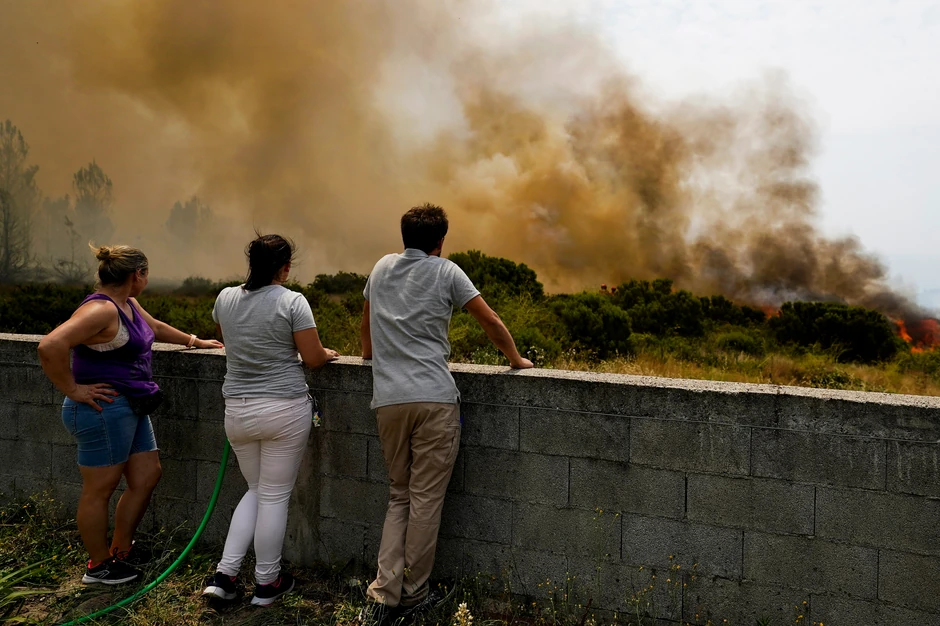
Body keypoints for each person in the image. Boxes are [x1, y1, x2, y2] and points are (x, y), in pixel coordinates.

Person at [359, 204, 534, 625]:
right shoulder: (447, 271)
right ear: (440, 242)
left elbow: (366, 327)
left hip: (388, 401)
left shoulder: (380, 268)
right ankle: (414, 594)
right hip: (434, 400)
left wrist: (367, 355)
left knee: (399, 495)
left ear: (404, 236)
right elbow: (490, 321)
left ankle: (382, 594)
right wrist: (516, 359)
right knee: (424, 499)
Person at [37, 244, 223, 585]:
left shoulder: (128, 304)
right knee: (100, 489)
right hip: (102, 410)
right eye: (146, 274)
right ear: (137, 274)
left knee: (147, 475)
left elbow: (156, 328)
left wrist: (196, 341)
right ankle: (98, 566)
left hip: (131, 405)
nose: (147, 281)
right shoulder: (101, 310)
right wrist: (74, 389)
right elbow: (50, 345)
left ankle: (121, 550)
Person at [202, 234, 339, 607]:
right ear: (285, 267)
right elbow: (312, 358)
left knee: (256, 490)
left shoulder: (225, 298)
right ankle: (267, 582)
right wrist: (326, 352)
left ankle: (224, 577)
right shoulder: (292, 301)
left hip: (237, 410)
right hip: (283, 409)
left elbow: (228, 337)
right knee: (274, 495)